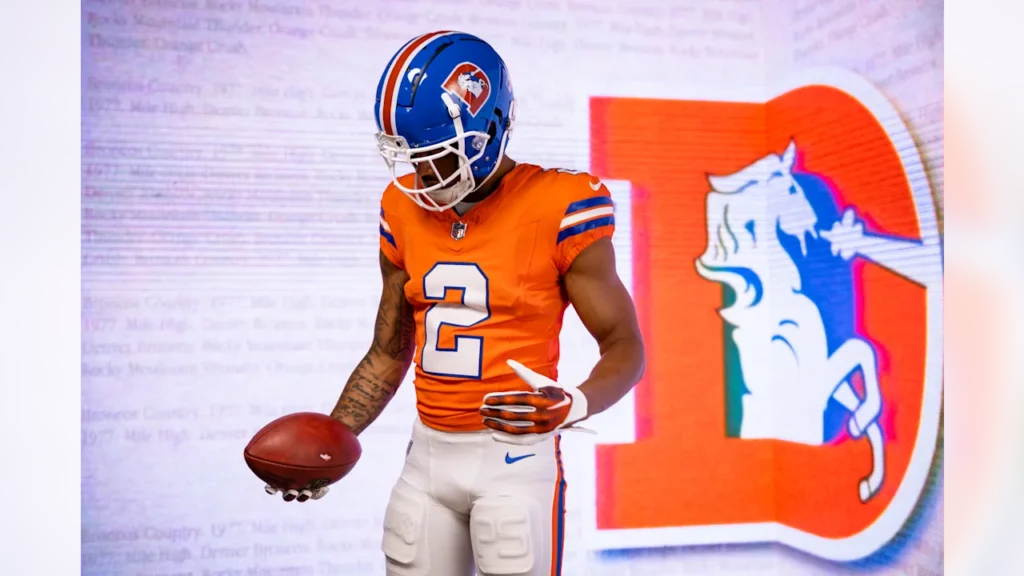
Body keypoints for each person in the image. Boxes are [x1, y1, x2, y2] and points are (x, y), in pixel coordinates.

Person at [265, 30, 646, 576]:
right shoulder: (400, 206)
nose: (419, 176)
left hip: (515, 461)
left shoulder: (562, 202)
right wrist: (332, 439)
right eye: (409, 158)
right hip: (427, 458)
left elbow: (625, 344)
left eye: (434, 158)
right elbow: (388, 350)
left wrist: (577, 403)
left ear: (485, 131)